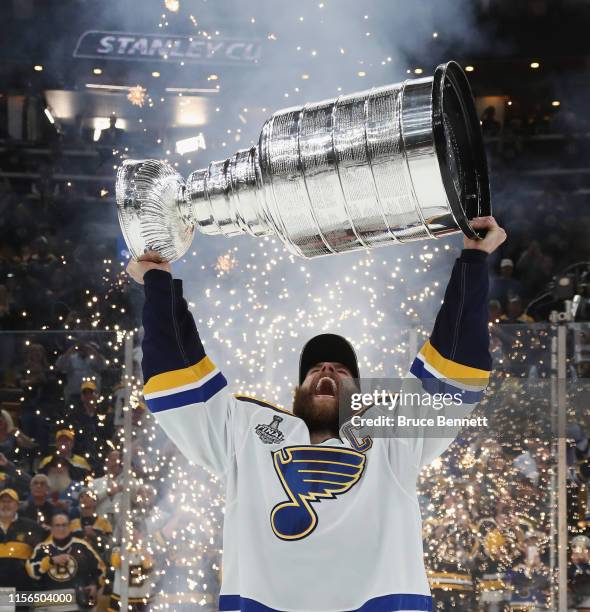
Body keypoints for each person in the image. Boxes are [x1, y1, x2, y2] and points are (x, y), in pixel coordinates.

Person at [126, 216, 506, 611]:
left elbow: (454, 368)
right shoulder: (246, 433)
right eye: (315, 370)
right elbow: (177, 381)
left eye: (341, 371)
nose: (327, 371)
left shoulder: (394, 434)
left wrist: (474, 259)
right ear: (297, 394)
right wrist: (158, 282)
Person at [27, 511, 105, 611]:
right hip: (48, 606)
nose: (61, 528)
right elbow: (31, 572)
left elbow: (100, 570)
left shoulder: (82, 546)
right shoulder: (42, 548)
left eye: (64, 525)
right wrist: (50, 562)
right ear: (51, 528)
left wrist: (95, 585)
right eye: (57, 525)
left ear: (70, 527)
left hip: (78, 606)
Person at [0, 488, 45, 591]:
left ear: (16, 505)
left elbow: (40, 554)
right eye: (2, 501)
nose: (6, 505)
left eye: (9, 501)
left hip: (23, 587)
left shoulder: (32, 527)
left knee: (21, 607)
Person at [70, 488, 113, 558]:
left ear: (95, 502)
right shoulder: (73, 524)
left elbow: (109, 544)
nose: (84, 498)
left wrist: (94, 535)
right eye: (81, 497)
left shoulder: (104, 522)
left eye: (87, 496)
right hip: (79, 562)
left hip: (99, 562)